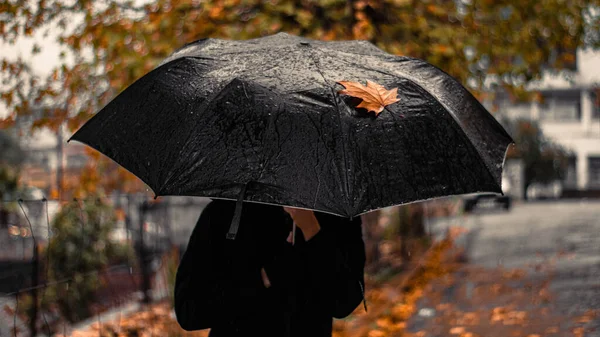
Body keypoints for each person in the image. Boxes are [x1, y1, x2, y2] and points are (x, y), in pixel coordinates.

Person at [174, 199, 366, 337]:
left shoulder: (337, 215)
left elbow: (344, 302)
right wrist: (262, 279)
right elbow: (189, 311)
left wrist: (312, 231)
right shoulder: (224, 213)